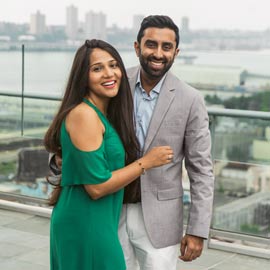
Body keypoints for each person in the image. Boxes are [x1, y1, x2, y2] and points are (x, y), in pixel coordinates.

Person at [50, 15, 215, 270]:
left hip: (160, 221)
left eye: (166, 47)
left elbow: (202, 169)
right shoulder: (114, 83)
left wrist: (198, 230)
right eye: (151, 44)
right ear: (137, 47)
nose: (158, 53)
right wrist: (62, 161)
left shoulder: (190, 99)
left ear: (176, 52)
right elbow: (78, 129)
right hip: (110, 211)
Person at [44, 39, 174, 270]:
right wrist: (146, 162)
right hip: (86, 223)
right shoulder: (85, 114)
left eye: (113, 65)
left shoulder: (102, 113)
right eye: (97, 68)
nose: (108, 73)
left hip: (99, 222)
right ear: (82, 76)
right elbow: (96, 187)